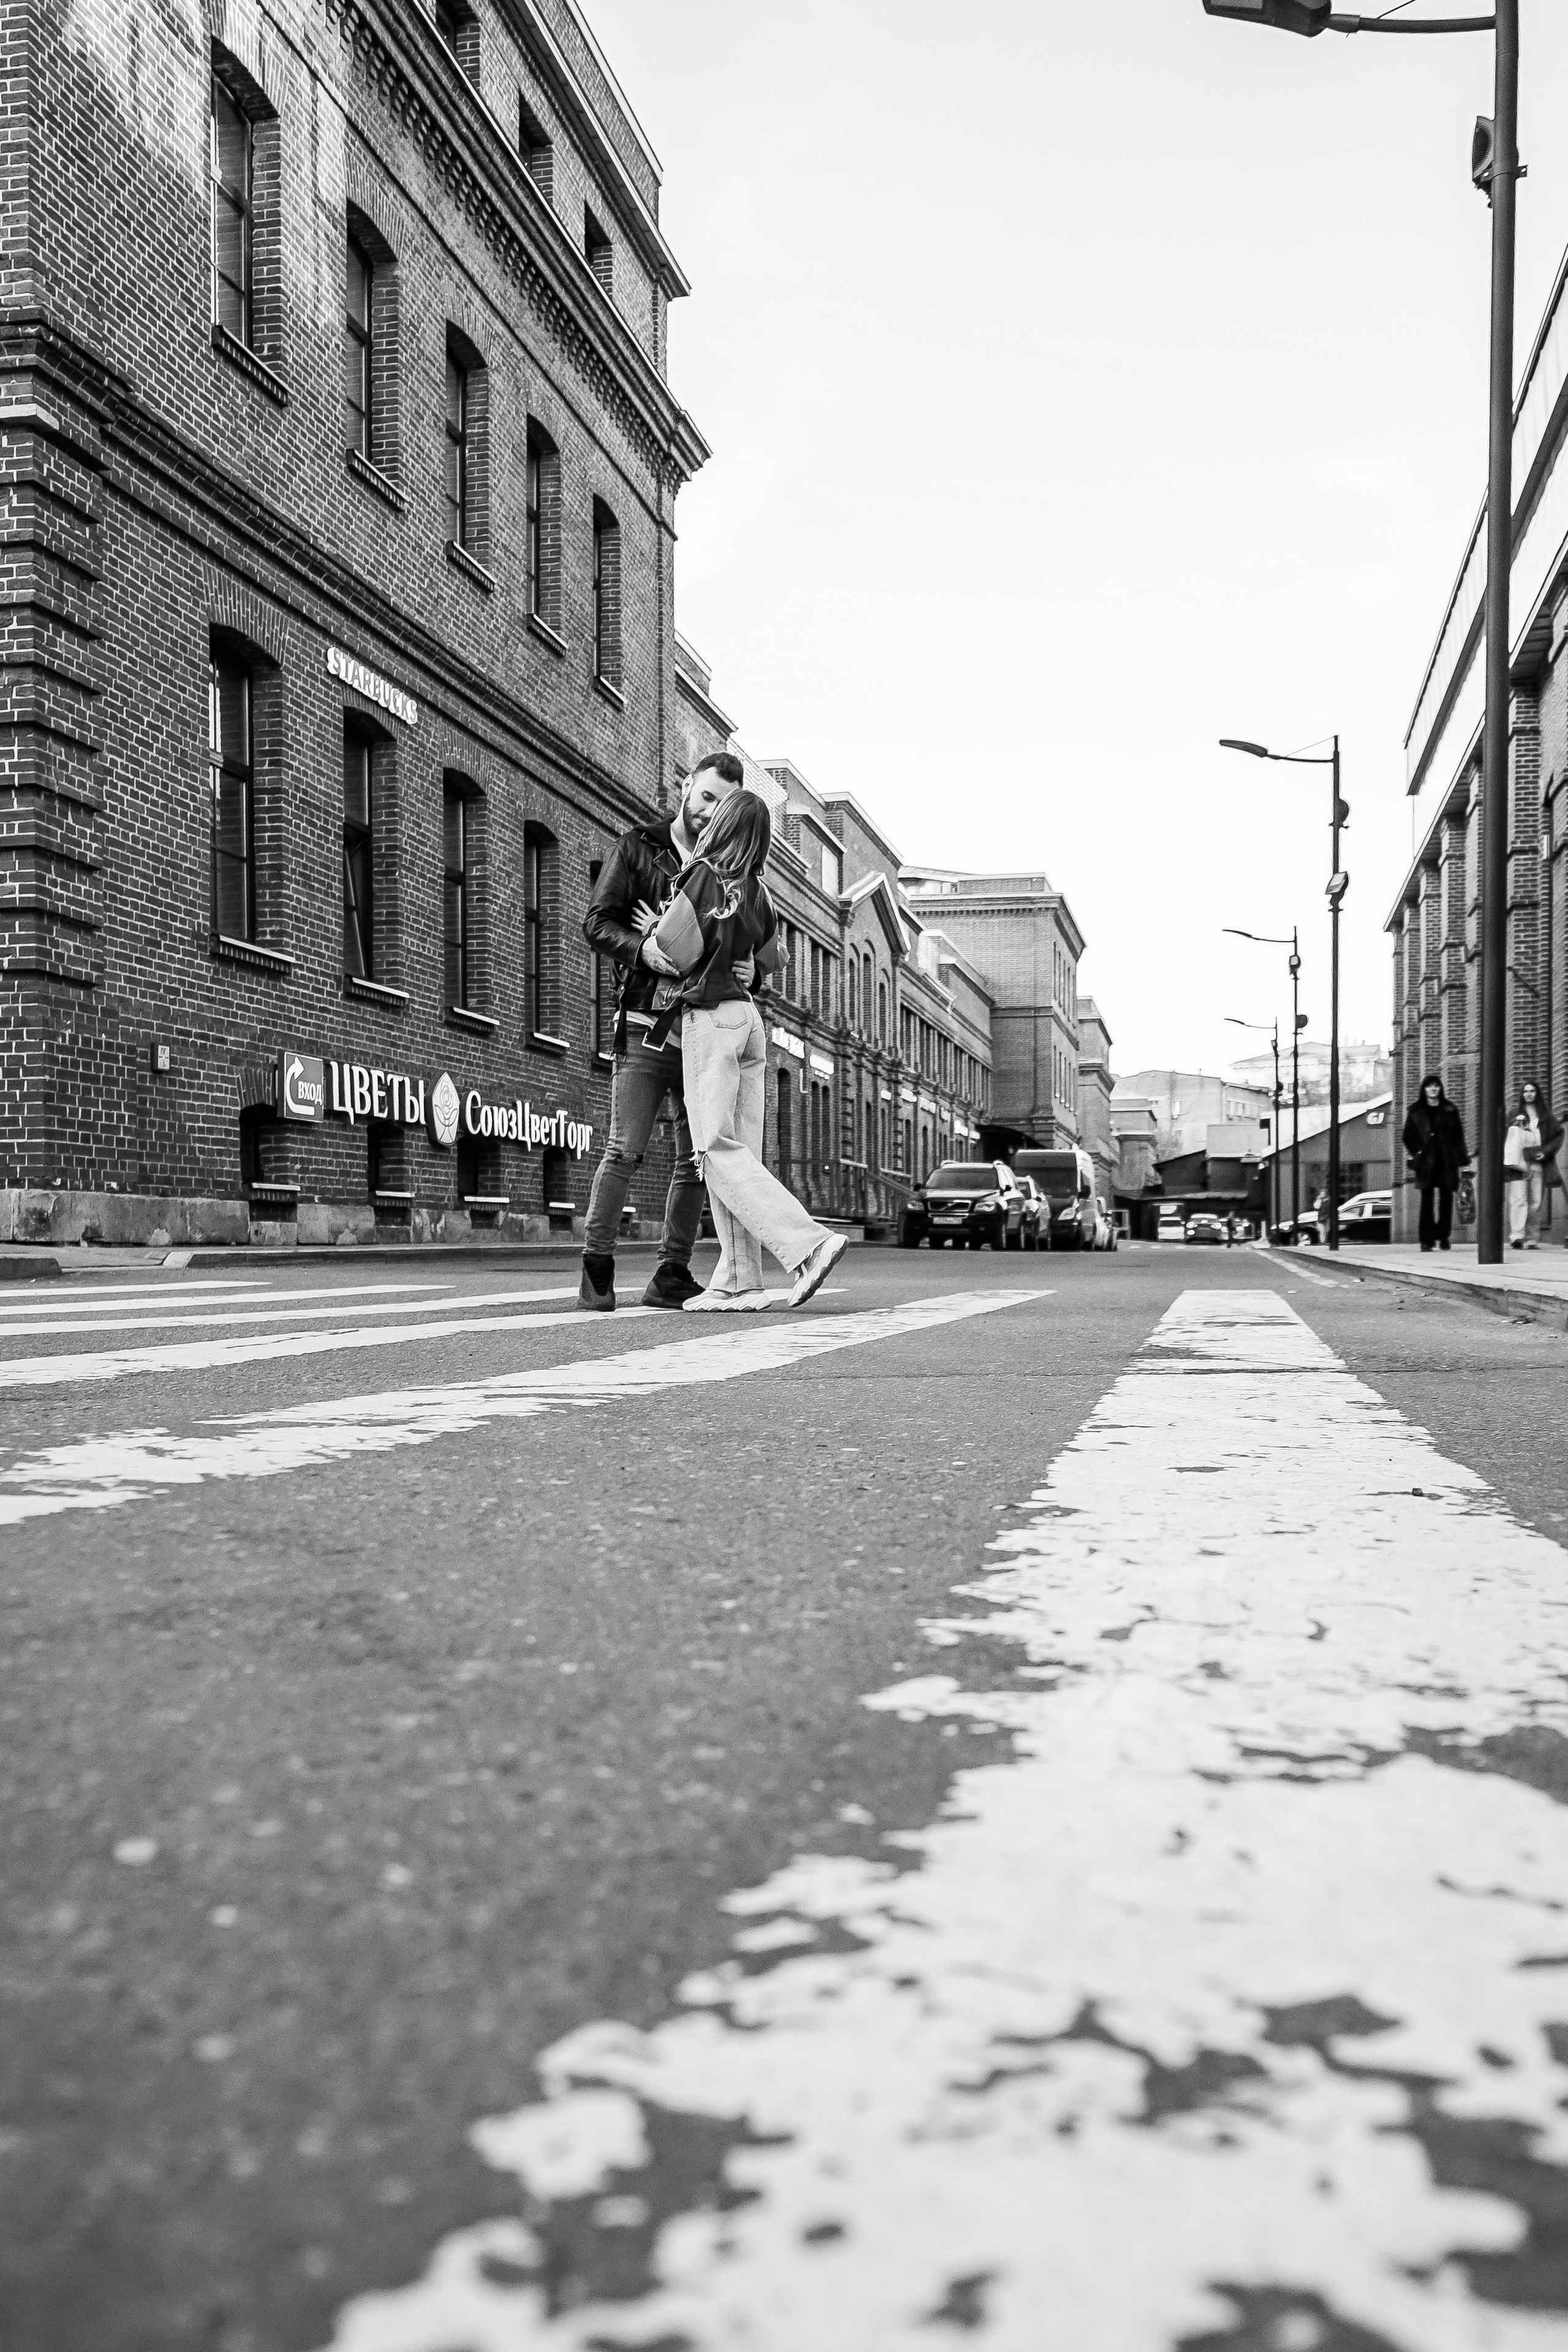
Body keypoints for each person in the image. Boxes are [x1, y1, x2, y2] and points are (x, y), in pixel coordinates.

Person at [648, 788, 846, 1311]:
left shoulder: (701, 875)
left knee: (713, 1149)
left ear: (724, 823)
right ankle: (739, 1278)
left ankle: (808, 1245)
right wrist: (746, 965)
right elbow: (769, 959)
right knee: (739, 1154)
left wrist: (660, 934)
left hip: (711, 1020)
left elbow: (672, 945)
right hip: (749, 1022)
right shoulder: (760, 892)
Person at [577, 752, 744, 1312]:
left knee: (695, 1158)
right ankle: (597, 1268)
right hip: (647, 1027)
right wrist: (643, 949)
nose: (710, 811)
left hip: (703, 1033)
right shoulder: (637, 847)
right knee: (624, 1149)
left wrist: (754, 971)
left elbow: (741, 946)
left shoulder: (729, 869)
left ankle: (671, 1272)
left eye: (724, 804)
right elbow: (597, 923)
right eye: (706, 797)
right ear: (686, 788)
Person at [1401, 1072, 1470, 1253]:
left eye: (1436, 1086)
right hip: (1426, 1162)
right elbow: (1407, 1136)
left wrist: (1463, 1161)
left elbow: (1458, 1136)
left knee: (1446, 1199)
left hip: (1447, 1160)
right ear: (1424, 1089)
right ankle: (1426, 1240)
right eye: (1430, 1086)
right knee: (1427, 1200)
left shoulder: (1449, 1109)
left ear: (1440, 1088)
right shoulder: (1415, 1111)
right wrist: (1418, 1150)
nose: (1433, 1089)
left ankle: (1444, 1237)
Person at [1504, 1079, 1562, 1251]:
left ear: (1537, 1094)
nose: (1529, 1094)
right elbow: (1507, 1135)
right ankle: (1517, 1236)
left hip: (1538, 1162)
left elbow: (1558, 1134)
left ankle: (1532, 1238)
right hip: (1519, 1162)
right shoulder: (1514, 1113)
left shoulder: (1546, 1116)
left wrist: (1546, 1151)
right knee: (1519, 1199)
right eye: (1526, 1092)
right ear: (1522, 1095)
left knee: (1536, 1201)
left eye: (1532, 1091)